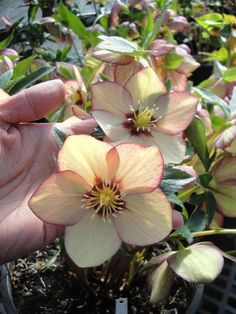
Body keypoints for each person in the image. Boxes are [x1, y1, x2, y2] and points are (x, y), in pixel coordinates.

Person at [0, 80, 183, 264]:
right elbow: (77, 150)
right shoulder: (79, 149)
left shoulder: (140, 158)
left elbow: (145, 160)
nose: (104, 198)